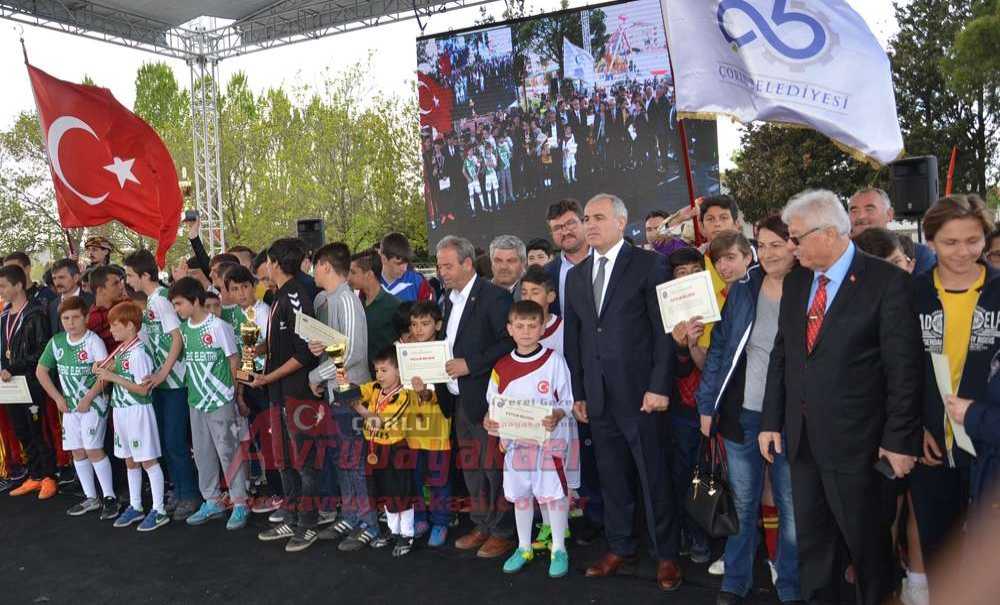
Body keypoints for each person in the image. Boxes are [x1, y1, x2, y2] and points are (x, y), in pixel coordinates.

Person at [760, 189, 924, 605]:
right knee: (816, 549)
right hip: (803, 443)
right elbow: (785, 355)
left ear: (829, 233)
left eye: (796, 238)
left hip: (861, 447)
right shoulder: (797, 282)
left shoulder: (886, 282)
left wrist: (900, 440)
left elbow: (904, 370)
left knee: (868, 549)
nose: (790, 247)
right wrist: (770, 421)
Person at [563, 193, 681, 592]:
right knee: (612, 477)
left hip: (642, 396)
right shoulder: (577, 276)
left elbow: (664, 331)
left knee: (653, 477)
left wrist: (658, 386)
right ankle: (619, 547)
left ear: (620, 223)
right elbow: (575, 338)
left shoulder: (649, 265)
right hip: (597, 397)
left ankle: (666, 555)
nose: (589, 224)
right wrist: (579, 392)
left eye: (598, 217)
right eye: (586, 217)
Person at [696, 215, 802, 605]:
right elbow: (720, 349)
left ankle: (790, 585)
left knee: (791, 507)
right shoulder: (745, 287)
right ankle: (736, 581)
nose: (772, 252)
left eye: (780, 243)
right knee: (742, 502)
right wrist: (707, 405)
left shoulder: (810, 287)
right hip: (742, 415)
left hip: (792, 418)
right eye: (765, 244)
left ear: (795, 244)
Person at [910, 194, 1000, 603]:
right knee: (940, 546)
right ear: (930, 242)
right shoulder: (912, 294)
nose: (963, 251)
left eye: (973, 240)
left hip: (991, 445)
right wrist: (913, 430)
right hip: (932, 447)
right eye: (950, 242)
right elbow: (897, 370)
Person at [483, 300, 577, 578]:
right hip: (516, 446)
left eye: (532, 326)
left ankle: (558, 548)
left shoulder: (554, 361)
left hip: (549, 445)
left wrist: (558, 414)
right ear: (509, 329)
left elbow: (568, 402)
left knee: (553, 496)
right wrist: (492, 424)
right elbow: (493, 404)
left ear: (542, 328)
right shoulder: (501, 366)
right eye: (519, 326)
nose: (525, 331)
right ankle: (524, 546)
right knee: (521, 496)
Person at [434, 235, 515, 558]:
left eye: (447, 265)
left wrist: (471, 364)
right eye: (440, 266)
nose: (442, 272)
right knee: (472, 467)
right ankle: (482, 523)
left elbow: (507, 344)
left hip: (486, 399)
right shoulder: (448, 299)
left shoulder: (494, 297)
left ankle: (503, 530)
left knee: (494, 468)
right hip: (458, 399)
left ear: (468, 264)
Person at [251, 238, 322, 553]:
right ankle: (292, 517)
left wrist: (268, 376)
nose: (264, 268)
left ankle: (308, 523)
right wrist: (263, 350)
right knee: (283, 461)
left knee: (303, 462)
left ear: (274, 262)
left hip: (296, 394)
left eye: (266, 261)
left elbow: (304, 353)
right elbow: (284, 343)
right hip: (278, 393)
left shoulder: (296, 295)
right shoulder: (279, 294)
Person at [307, 243, 379, 549]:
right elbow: (338, 344)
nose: (312, 271)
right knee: (343, 460)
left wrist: (316, 374)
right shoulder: (334, 299)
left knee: (355, 461)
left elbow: (351, 352)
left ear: (324, 266)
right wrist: (320, 346)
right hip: (339, 393)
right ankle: (352, 516)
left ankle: (370, 524)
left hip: (352, 394)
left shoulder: (347, 300)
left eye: (314, 265)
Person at [123, 249, 200, 521]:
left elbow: (177, 340)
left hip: (176, 382)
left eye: (131, 274)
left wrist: (162, 373)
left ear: (145, 275)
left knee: (175, 442)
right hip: (164, 384)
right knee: (167, 443)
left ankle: (190, 494)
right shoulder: (151, 302)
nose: (128, 280)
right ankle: (179, 490)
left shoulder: (162, 301)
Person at [168, 277, 250, 531]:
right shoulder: (184, 329)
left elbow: (233, 360)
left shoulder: (218, 327)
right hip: (196, 399)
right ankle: (212, 500)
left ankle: (240, 502)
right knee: (203, 454)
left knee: (228, 452)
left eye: (179, 304)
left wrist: (233, 393)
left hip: (219, 399)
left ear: (195, 301)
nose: (177, 309)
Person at [82, 301, 168, 532]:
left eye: (115, 326)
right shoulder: (123, 350)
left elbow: (144, 389)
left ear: (130, 326)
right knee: (129, 459)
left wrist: (112, 377)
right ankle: (136, 505)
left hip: (137, 411)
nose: (111, 331)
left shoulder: (138, 353)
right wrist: (105, 370)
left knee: (147, 459)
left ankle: (159, 510)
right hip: (121, 410)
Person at [36, 296, 119, 519]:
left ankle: (110, 497)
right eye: (65, 318)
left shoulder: (93, 342)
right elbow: (41, 371)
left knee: (93, 449)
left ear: (85, 318)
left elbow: (105, 375)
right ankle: (90, 497)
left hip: (93, 405)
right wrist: (57, 398)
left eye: (75, 317)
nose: (70, 322)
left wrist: (89, 397)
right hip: (70, 407)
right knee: (77, 451)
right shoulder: (57, 342)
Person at [663, 247, 713, 566]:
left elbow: (711, 365)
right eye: (680, 274)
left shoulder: (717, 306)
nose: (687, 278)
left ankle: (703, 534)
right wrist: (681, 346)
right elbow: (673, 367)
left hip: (709, 405)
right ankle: (686, 530)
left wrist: (694, 346)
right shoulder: (662, 309)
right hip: (677, 406)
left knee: (705, 475)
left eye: (694, 272)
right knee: (680, 473)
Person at [347, 348, 423, 557]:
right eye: (376, 370)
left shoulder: (403, 395)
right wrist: (344, 382)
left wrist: (360, 409)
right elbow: (355, 391)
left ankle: (407, 534)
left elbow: (382, 422)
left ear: (399, 371)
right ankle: (393, 530)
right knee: (386, 491)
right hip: (375, 448)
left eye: (384, 370)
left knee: (401, 492)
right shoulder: (374, 388)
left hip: (396, 449)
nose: (379, 375)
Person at [1, 265, 57, 500]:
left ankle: (48, 477)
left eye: (3, 285)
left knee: (37, 429)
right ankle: (34, 475)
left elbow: (43, 351)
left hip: (31, 382)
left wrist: (12, 367)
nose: (0, 290)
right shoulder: (4, 315)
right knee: (21, 430)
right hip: (9, 384)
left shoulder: (35, 313)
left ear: (18, 285)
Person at [403, 301, 453, 547]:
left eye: (425, 324)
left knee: (439, 480)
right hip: (412, 430)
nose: (418, 329)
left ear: (438, 325)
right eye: (414, 324)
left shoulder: (443, 352)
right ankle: (420, 517)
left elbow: (440, 393)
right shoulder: (404, 352)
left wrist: (423, 392)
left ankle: (441, 521)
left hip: (436, 430)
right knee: (416, 478)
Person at [848, 188, 936, 274]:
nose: (861, 216)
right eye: (854, 211)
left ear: (889, 214)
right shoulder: (840, 255)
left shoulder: (919, 254)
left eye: (869, 209)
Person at [348, 251, 401, 372]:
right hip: (359, 376)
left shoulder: (393, 305)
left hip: (385, 380)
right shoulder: (355, 303)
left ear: (369, 274)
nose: (348, 277)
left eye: (353, 272)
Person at [544, 199, 590, 315]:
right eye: (557, 228)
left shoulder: (608, 260)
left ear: (584, 222)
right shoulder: (546, 273)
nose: (565, 232)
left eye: (570, 223)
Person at [379, 232, 433, 303]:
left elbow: (430, 311)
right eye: (398, 264)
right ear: (384, 259)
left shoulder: (418, 282)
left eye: (406, 262)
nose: (404, 268)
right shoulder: (369, 283)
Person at [87, 265, 128, 352]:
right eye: (116, 283)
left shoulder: (128, 308)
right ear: (100, 290)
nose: (121, 287)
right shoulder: (89, 320)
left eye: (120, 282)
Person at [48, 258, 94, 334]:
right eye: (54, 278)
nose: (57, 282)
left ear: (76, 278)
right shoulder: (53, 305)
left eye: (61, 277)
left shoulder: (92, 302)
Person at [490, 235, 526, 300]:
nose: (504, 267)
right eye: (498, 261)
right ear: (491, 263)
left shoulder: (533, 295)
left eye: (511, 261)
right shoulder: (478, 293)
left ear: (523, 263)